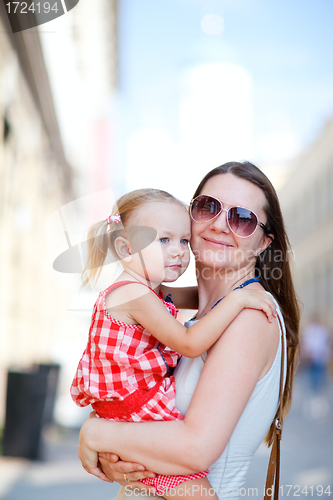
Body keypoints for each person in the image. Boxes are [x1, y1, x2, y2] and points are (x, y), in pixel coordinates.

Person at [78, 162, 300, 500]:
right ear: (189, 215)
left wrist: (96, 431)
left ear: (263, 243)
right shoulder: (207, 311)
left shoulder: (248, 315)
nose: (220, 225)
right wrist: (118, 461)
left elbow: (195, 450)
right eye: (208, 207)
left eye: (241, 218)